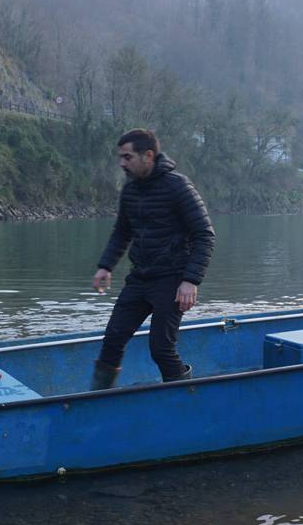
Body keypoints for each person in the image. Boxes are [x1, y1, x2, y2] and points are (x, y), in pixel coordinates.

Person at [90, 129, 215, 389]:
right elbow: (122, 232)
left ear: (148, 155)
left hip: (172, 280)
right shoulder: (131, 189)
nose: (122, 163)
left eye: (127, 157)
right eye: (121, 157)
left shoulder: (178, 186)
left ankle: (183, 399)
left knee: (161, 348)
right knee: (113, 338)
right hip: (140, 277)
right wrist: (105, 266)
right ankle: (98, 398)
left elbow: (204, 234)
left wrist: (190, 281)